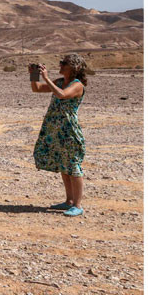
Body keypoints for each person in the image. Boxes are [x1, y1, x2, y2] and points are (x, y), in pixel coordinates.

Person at [31, 53, 88, 217]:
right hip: (56, 128)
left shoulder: (77, 85)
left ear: (74, 68)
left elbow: (62, 95)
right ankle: (69, 201)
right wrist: (34, 75)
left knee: (73, 165)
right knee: (64, 164)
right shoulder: (60, 82)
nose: (60, 65)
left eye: (64, 63)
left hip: (68, 130)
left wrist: (46, 77)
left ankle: (77, 204)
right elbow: (37, 89)